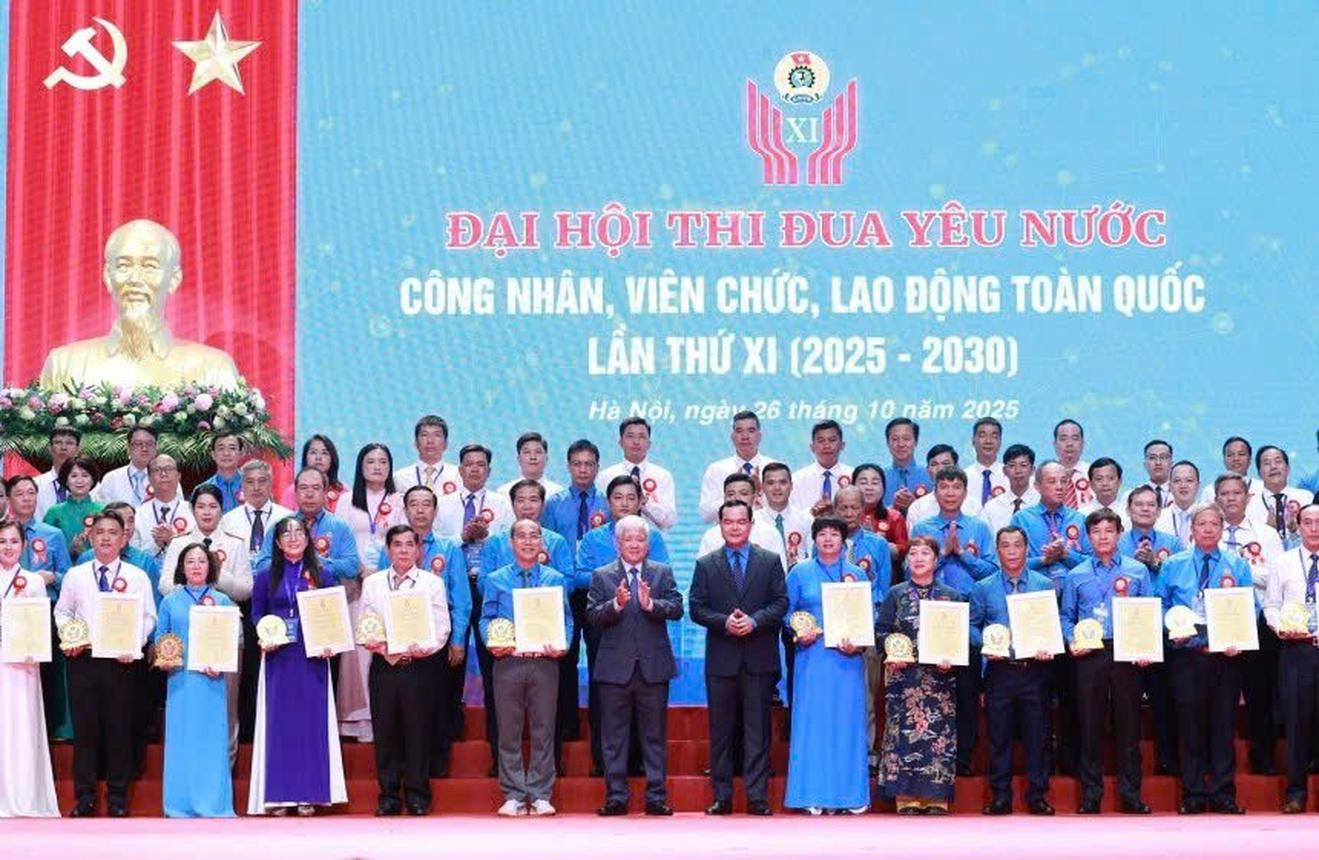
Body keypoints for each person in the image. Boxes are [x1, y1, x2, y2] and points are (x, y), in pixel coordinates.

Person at [38, 219, 241, 390]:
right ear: (108, 276)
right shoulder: (64, 365)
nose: (135, 279)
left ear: (173, 279)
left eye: (150, 266)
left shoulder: (214, 368)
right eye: (123, 266)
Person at [55, 511, 157, 817]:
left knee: (119, 728)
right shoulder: (76, 575)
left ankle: (117, 798)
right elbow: (62, 612)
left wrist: (134, 644)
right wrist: (70, 636)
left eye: (113, 532)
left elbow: (148, 617)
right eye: (100, 532)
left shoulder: (136, 576)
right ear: (91, 537)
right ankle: (84, 797)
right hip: (83, 659)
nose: (106, 538)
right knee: (85, 730)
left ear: (124, 538)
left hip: (120, 661)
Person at [690, 500, 787, 816]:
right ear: (719, 525)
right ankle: (722, 797)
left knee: (757, 730)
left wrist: (755, 621)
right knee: (721, 732)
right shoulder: (706, 564)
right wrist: (724, 623)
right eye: (728, 522)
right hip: (722, 659)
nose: (734, 527)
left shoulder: (769, 561)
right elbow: (696, 608)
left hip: (759, 658)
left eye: (740, 521)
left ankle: (757, 797)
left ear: (750, 525)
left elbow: (781, 602)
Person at [247, 517, 347, 816]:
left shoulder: (323, 574)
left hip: (312, 657)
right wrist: (265, 636)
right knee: (279, 725)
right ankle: (279, 795)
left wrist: (331, 641)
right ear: (277, 542)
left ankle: (309, 794)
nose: (292, 537)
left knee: (310, 725)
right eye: (286, 533)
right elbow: (257, 614)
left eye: (298, 532)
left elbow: (334, 614)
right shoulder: (265, 577)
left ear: (308, 538)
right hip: (278, 657)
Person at [1158, 503, 1251, 815]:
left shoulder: (1237, 565)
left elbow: (1250, 607)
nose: (1208, 529)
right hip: (1187, 656)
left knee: (1224, 726)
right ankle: (1194, 794)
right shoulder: (1174, 565)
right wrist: (1172, 627)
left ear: (1222, 529)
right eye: (1202, 524)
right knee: (1189, 727)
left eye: (1214, 524)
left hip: (1226, 657)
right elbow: (1159, 605)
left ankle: (1224, 794)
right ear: (1192, 529)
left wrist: (1240, 637)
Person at [588, 515, 683, 816]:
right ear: (618, 543)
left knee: (654, 737)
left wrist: (651, 605)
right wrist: (616, 604)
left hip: (653, 668)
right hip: (614, 669)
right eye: (628, 539)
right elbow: (592, 615)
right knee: (613, 739)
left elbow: (677, 608)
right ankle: (616, 797)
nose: (634, 544)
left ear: (648, 544)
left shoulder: (661, 572)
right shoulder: (602, 575)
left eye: (639, 539)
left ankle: (656, 797)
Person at [1060, 509, 1153, 814]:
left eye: (1109, 531)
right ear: (1088, 537)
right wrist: (1071, 640)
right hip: (1090, 654)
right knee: (1089, 726)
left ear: (1119, 534)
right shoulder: (1076, 575)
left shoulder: (1138, 571)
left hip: (1127, 653)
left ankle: (1131, 795)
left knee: (1129, 726)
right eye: (1096, 531)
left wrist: (1146, 647)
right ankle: (1091, 796)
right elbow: (1066, 616)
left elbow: (1149, 612)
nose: (1103, 537)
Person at [576, 475, 671, 775]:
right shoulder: (593, 538)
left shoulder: (652, 537)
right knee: (606, 696)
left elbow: (663, 575)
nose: (625, 503)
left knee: (645, 695)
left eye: (631, 497)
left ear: (641, 501)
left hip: (645, 623)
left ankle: (640, 761)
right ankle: (604, 762)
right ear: (608, 502)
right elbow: (579, 576)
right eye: (618, 497)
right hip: (606, 624)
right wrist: (611, 578)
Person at [374, 485, 469, 778]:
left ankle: (435, 767)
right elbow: (379, 595)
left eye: (426, 504)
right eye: (413, 504)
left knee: (437, 705)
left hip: (437, 640)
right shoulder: (390, 548)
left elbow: (461, 598)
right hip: (398, 643)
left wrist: (457, 640)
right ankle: (403, 768)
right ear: (405, 510)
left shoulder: (449, 548)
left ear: (435, 510)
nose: (420, 510)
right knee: (400, 710)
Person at [480, 519, 573, 817]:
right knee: (509, 730)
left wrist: (564, 643)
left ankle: (541, 793)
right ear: (511, 542)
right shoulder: (495, 579)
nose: (529, 541)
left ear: (542, 542)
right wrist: (491, 641)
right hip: (508, 661)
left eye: (534, 536)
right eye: (522, 536)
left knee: (544, 729)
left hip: (544, 662)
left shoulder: (555, 578)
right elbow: (485, 618)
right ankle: (513, 794)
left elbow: (567, 618)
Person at [783, 516, 873, 815]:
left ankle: (850, 796)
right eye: (822, 534)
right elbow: (786, 613)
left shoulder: (856, 574)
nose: (828, 539)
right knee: (813, 724)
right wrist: (799, 631)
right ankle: (810, 793)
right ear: (814, 539)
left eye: (834, 534)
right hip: (812, 658)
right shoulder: (799, 572)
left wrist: (858, 644)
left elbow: (866, 616)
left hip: (847, 659)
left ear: (843, 540)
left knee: (847, 724)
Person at [360, 526, 450, 816]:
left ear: (418, 550)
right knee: (385, 731)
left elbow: (441, 626)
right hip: (384, 666)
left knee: (417, 731)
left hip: (419, 666)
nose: (403, 550)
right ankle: (388, 796)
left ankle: (417, 795)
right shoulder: (373, 584)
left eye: (409, 544)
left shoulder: (431, 583)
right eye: (397, 544)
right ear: (388, 550)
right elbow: (366, 622)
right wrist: (374, 641)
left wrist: (425, 646)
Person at [159, 485, 253, 763]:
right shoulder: (179, 543)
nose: (207, 512)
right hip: (186, 632)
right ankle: (191, 762)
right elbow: (165, 585)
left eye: (213, 506)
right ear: (192, 509)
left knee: (226, 701)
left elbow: (246, 590)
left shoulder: (235, 543)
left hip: (224, 633)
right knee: (189, 699)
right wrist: (194, 583)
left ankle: (226, 763)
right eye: (201, 506)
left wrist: (216, 575)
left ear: (222, 510)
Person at [911, 466, 995, 774]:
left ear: (965, 492)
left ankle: (962, 759)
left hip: (968, 619)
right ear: (935, 492)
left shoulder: (979, 527)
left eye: (956, 487)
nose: (950, 493)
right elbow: (911, 571)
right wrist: (944, 553)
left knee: (966, 693)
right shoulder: (923, 528)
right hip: (929, 615)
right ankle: (930, 756)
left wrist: (963, 554)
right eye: (944, 487)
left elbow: (991, 571)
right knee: (930, 691)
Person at [971, 526, 1055, 816]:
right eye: (1005, 546)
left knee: (1038, 736)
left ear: (1027, 549)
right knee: (999, 736)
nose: (1011, 551)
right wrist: (986, 644)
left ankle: (1038, 795)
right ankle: (1000, 796)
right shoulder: (983, 587)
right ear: (997, 551)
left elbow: (1053, 624)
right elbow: (972, 625)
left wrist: (1048, 645)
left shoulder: (1044, 584)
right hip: (999, 670)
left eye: (1017, 545)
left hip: (1035, 669)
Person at [876, 536, 961, 814]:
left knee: (938, 736)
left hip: (940, 679)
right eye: (913, 553)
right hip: (904, 678)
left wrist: (952, 657)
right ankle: (906, 797)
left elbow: (959, 637)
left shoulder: (951, 596)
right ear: (906, 561)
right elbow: (881, 632)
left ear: (936, 561)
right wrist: (893, 650)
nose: (919, 558)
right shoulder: (895, 594)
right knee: (903, 735)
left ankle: (936, 797)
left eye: (926, 553)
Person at [154, 543, 237, 817]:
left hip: (212, 682)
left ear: (210, 566)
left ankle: (213, 803)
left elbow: (231, 640)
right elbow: (160, 639)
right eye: (190, 561)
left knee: (211, 741)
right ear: (181, 567)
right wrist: (165, 658)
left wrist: (221, 663)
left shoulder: (222, 601)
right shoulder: (170, 601)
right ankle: (179, 804)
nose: (196, 566)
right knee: (182, 741)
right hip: (180, 682)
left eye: (202, 561)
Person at [540, 439, 608, 752]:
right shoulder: (553, 504)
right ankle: (566, 725)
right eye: (577, 464)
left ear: (597, 467)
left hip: (599, 593)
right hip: (563, 592)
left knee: (599, 659)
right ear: (568, 466)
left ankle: (600, 725)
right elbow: (545, 548)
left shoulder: (608, 503)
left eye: (589, 464)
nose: (583, 469)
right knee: (563, 659)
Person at [1216, 472, 1284, 776]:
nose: (1231, 498)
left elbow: (1278, 577)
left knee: (1261, 694)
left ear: (1247, 497)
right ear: (1216, 499)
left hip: (1258, 622)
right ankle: (1219, 761)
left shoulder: (1266, 534)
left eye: (1236, 493)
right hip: (1219, 623)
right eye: (1225, 494)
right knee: (1220, 696)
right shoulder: (1207, 530)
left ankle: (1263, 757)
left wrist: (1242, 570)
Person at [218, 459, 290, 744]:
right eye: (250, 482)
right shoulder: (228, 520)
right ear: (242, 486)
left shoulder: (286, 517)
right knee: (246, 665)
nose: (256, 487)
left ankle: (274, 725)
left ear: (271, 483)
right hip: (241, 600)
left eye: (262, 481)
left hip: (277, 600)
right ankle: (247, 730)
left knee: (276, 662)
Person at [337, 443, 406, 741]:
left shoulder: (399, 500)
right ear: (360, 467)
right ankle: (357, 720)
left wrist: (382, 570)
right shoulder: (346, 500)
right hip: (354, 586)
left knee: (385, 648)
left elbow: (406, 541)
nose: (377, 466)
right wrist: (358, 569)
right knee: (358, 652)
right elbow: (339, 542)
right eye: (371, 461)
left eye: (383, 461)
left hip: (389, 585)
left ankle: (386, 718)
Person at [1121, 484, 1184, 775]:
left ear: (1159, 511)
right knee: (1126, 701)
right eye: (1139, 504)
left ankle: (1168, 761)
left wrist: (1156, 563)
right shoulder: (1118, 541)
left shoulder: (1174, 543)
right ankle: (1126, 767)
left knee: (1165, 699)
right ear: (1128, 509)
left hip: (1163, 631)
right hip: (1127, 630)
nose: (1145, 509)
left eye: (1151, 505)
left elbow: (1181, 582)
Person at [0, 519, 60, 818]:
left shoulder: (34, 581)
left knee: (23, 726)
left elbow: (41, 625)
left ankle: (26, 795)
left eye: (14, 541)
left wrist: (34, 650)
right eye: (2, 541)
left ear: (24, 545)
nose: (8, 547)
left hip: (24, 663)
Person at [1263, 503, 1319, 813]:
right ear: (1298, 526)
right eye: (1307, 522)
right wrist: (1279, 626)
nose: (1314, 528)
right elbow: (1271, 604)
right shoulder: (1283, 562)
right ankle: (1296, 793)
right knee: (1296, 722)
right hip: (1296, 650)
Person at [9, 476, 73, 740]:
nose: (26, 498)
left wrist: (51, 577)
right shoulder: (4, 534)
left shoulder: (52, 534)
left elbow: (67, 575)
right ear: (9, 499)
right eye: (19, 493)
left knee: (47, 673)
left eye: (31, 493)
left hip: (44, 612)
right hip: (8, 616)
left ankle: (50, 729)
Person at [254, 467, 361, 583]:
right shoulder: (279, 526)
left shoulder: (340, 527)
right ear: (295, 493)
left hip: (328, 592)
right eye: (303, 488)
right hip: (286, 592)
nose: (309, 494)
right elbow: (261, 566)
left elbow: (352, 567)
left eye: (316, 488)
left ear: (325, 493)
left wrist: (316, 562)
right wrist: (291, 561)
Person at [597, 417, 677, 532]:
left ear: (649, 444)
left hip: (651, 540)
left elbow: (668, 522)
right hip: (614, 539)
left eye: (642, 437)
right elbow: (599, 517)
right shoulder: (606, 476)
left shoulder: (663, 476)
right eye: (630, 436)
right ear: (620, 442)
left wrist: (645, 502)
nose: (636, 442)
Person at [699, 410, 779, 523]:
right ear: (732, 436)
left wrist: (761, 492)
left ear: (759, 436)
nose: (745, 436)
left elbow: (784, 509)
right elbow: (706, 515)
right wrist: (733, 494)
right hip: (729, 532)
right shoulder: (716, 469)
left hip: (767, 530)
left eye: (751, 431)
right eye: (739, 431)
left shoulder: (775, 469)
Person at [696, 473, 786, 561]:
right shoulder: (711, 537)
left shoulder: (770, 534)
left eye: (744, 494)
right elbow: (703, 570)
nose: (737, 498)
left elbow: (779, 569)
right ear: (724, 498)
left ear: (754, 497)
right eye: (731, 494)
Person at [435, 443, 514, 541]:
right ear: (460, 471)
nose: (475, 469)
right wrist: (462, 538)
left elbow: (508, 539)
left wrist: (486, 535)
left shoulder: (502, 503)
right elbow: (436, 540)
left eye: (480, 465)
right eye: (469, 464)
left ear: (489, 471)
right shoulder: (441, 504)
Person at [132, 454, 195, 558]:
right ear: (149, 478)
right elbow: (132, 555)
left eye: (169, 469)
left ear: (179, 476)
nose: (163, 474)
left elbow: (201, 550)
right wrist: (155, 545)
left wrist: (173, 541)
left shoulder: (193, 511)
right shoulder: (137, 515)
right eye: (157, 470)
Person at [41, 455, 103, 560]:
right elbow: (44, 546)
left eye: (85, 475)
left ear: (92, 480)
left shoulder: (103, 510)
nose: (79, 480)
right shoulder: (54, 512)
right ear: (66, 480)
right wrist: (70, 550)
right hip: (62, 567)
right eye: (74, 476)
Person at [1247, 445, 1309, 548]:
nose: (1273, 467)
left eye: (1278, 461)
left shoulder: (1306, 498)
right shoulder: (1250, 505)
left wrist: (1295, 531)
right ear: (1259, 473)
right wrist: (1267, 532)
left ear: (1288, 468)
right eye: (1267, 463)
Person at [905, 445, 982, 527]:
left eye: (945, 464)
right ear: (928, 470)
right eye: (934, 464)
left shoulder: (974, 507)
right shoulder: (918, 508)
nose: (940, 469)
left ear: (956, 467)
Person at [757, 462, 814, 571]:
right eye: (770, 483)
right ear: (763, 487)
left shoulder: (806, 519)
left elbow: (814, 557)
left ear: (791, 486)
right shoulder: (754, 521)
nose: (777, 488)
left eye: (782, 482)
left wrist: (796, 564)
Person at [789, 419, 852, 515]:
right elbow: (793, 516)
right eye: (821, 441)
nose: (827, 446)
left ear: (842, 445)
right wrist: (812, 512)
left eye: (832, 440)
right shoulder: (797, 480)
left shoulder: (853, 476)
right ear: (812, 447)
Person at [851, 463, 909, 559]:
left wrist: (879, 543)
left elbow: (904, 550)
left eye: (875, 483)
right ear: (853, 486)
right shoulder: (844, 515)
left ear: (883, 487)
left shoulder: (895, 517)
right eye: (863, 483)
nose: (869, 488)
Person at [279, 435, 349, 513]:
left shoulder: (343, 492)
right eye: (313, 452)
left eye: (324, 453)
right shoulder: (292, 492)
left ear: (332, 459)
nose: (318, 457)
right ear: (305, 458)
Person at [392, 415, 458, 497]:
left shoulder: (458, 476)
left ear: (446, 444)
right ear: (416, 443)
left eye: (437, 435)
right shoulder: (399, 478)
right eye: (424, 435)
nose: (430, 441)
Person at [981, 444, 1041, 534]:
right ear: (1004, 470)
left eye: (1023, 465)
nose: (1018, 471)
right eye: (1012, 465)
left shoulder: (1041, 503)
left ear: (1032, 470)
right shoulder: (992, 507)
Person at [95, 426, 158, 506]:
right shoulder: (111, 478)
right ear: (128, 448)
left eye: (149, 444)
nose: (144, 448)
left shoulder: (166, 478)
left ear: (156, 447)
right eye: (138, 444)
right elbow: (104, 509)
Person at [495, 431, 564, 499]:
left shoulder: (558, 493)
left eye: (538, 452)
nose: (533, 457)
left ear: (546, 458)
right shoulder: (504, 493)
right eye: (527, 452)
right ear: (519, 459)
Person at [882, 418, 930, 513]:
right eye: (895, 439)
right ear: (887, 443)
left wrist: (914, 506)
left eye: (906, 439)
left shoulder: (930, 475)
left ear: (916, 442)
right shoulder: (880, 477)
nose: (901, 444)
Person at [34, 428, 84, 519]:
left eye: (69, 443)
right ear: (50, 448)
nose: (63, 448)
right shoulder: (35, 485)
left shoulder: (90, 485)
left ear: (78, 449)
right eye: (58, 442)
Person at [1199, 436, 1262, 502]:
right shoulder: (1210, 491)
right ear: (1224, 460)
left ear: (1250, 459)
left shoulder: (1261, 488)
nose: (1236, 459)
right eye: (1230, 455)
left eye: (1241, 454)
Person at [1122, 440, 1175, 510]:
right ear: (1145, 464)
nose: (1158, 462)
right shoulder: (1130, 496)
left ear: (1171, 463)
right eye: (1152, 458)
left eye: (1163, 457)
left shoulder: (1181, 494)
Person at [1077, 456, 1130, 527]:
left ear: (1120, 481)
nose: (1105, 483)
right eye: (1099, 479)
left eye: (1110, 478)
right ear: (1090, 483)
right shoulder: (1081, 515)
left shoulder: (1129, 515)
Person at [1158, 460, 1202, 543]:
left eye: (1189, 480)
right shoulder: (1159, 518)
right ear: (1169, 486)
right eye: (1177, 481)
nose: (1183, 485)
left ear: (1198, 485)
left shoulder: (1210, 517)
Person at [1053, 419, 1092, 510]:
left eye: (1075, 439)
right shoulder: (1043, 474)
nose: (1069, 444)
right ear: (1055, 444)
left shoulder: (1093, 473)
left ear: (1082, 444)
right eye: (1063, 439)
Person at [202, 434, 247, 512]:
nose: (226, 453)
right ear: (213, 455)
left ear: (241, 453)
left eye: (232, 448)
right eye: (221, 448)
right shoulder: (202, 490)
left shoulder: (256, 487)